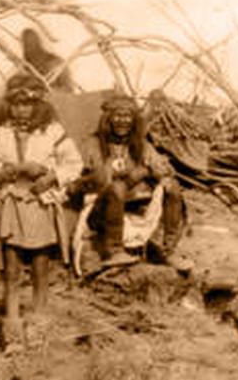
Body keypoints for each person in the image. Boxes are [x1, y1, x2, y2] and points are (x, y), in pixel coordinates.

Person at [0, 73, 83, 354]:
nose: (22, 110)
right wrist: (10, 171)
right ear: (8, 105)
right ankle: (12, 333)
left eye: (28, 104)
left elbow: (74, 163)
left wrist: (50, 177)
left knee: (40, 269)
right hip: (13, 204)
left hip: (39, 205)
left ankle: (37, 330)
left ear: (39, 105)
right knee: (11, 272)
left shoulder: (52, 131)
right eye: (16, 104)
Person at [75, 89, 191, 274]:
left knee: (172, 188)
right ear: (107, 119)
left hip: (134, 204)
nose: (123, 121)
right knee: (117, 188)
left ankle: (169, 250)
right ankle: (115, 250)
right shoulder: (94, 144)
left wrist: (161, 174)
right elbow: (103, 178)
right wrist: (139, 173)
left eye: (128, 116)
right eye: (118, 116)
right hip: (100, 208)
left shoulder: (140, 144)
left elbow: (162, 167)